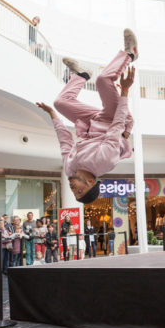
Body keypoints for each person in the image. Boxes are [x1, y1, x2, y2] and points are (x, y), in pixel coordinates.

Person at [36, 30, 138, 206]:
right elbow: (116, 127)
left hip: (92, 122)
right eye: (79, 190)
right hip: (115, 120)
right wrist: (125, 91)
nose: (73, 188)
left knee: (60, 103)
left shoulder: (70, 170)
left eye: (74, 192)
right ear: (91, 182)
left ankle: (82, 75)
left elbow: (65, 143)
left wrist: (53, 115)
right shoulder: (105, 161)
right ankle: (130, 54)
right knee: (103, 80)